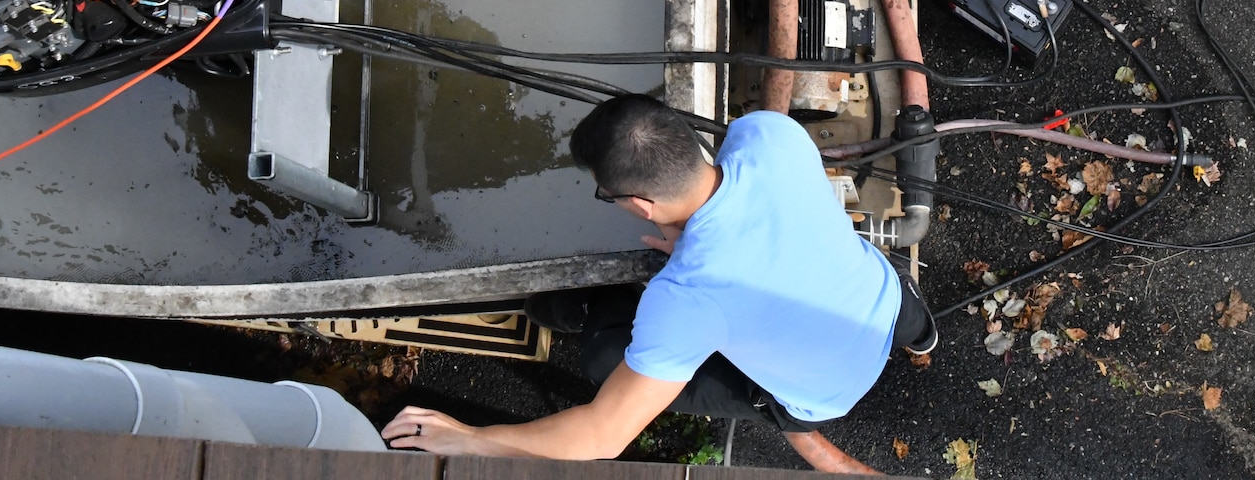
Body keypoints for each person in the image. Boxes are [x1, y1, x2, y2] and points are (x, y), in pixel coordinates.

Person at [382, 94, 936, 473]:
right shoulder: (770, 135)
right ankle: (922, 336)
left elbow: (603, 435)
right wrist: (697, 236)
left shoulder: (686, 299)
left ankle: (583, 316)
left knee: (607, 363)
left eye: (611, 196)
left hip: (821, 396)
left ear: (642, 205)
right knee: (898, 301)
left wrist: (472, 438)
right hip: (882, 297)